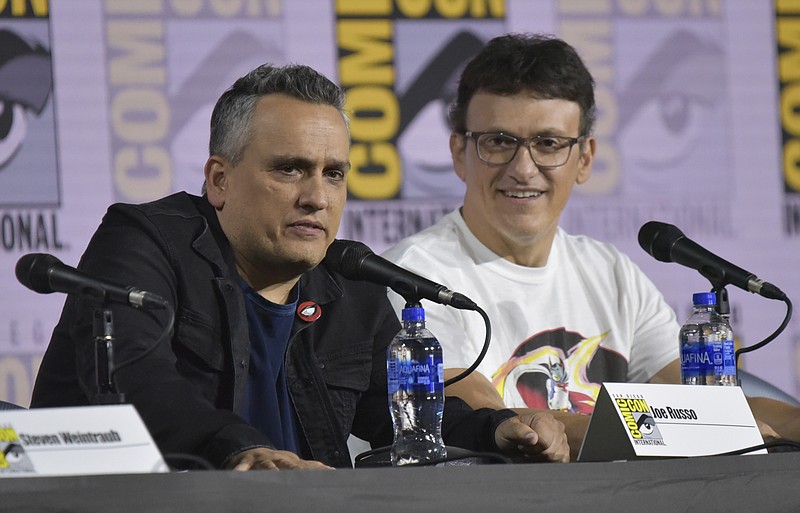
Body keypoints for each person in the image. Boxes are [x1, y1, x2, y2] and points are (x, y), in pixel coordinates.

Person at [29, 63, 569, 470]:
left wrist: (497, 429)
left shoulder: (348, 283)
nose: (317, 197)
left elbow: (399, 416)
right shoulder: (146, 242)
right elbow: (135, 380)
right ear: (219, 180)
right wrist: (243, 449)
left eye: (334, 174)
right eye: (291, 169)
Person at [383, 33, 799, 457]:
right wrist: (688, 432)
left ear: (584, 159)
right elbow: (484, 417)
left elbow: (709, 408)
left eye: (548, 144)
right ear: (459, 152)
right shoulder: (414, 276)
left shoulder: (611, 272)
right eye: (499, 142)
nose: (523, 169)